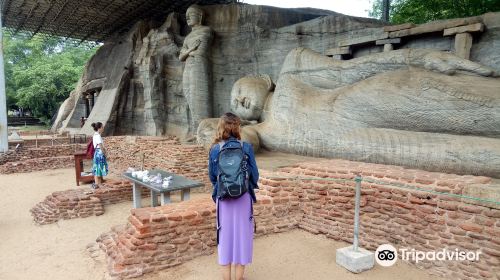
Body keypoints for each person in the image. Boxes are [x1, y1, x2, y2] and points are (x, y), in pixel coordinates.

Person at [208, 112, 259, 280]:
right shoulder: (246, 147)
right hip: (243, 199)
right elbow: (255, 175)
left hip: (224, 200)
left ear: (221, 127)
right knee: (242, 238)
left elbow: (212, 176)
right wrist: (244, 188)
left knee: (225, 239)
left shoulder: (215, 149)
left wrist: (222, 189)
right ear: (238, 127)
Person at [91, 122, 108, 188]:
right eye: (102, 127)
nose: (103, 128)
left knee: (98, 167)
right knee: (98, 168)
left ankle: (99, 182)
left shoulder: (96, 135)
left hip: (97, 152)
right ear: (99, 128)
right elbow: (100, 146)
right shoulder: (97, 136)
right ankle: (97, 183)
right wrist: (105, 152)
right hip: (99, 153)